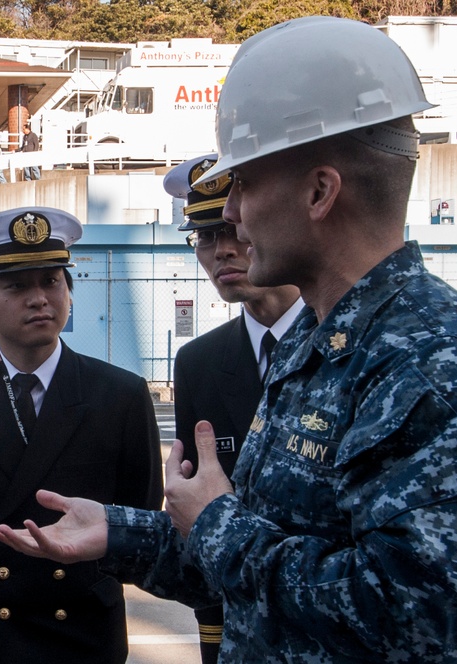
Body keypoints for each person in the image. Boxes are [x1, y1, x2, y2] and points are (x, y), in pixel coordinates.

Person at [0, 16, 457, 662]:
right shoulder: (316, 343)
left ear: (319, 192)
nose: (229, 212)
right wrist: (119, 532)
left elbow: (416, 616)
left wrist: (218, 522)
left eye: (244, 182)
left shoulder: (434, 368)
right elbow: (252, 565)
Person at [0, 207, 163, 663]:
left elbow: (137, 511)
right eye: (17, 286)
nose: (39, 298)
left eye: (51, 281)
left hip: (79, 631)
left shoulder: (119, 395)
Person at [166, 154, 302, 663]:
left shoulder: (348, 345)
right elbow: (191, 511)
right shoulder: (199, 362)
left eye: (233, 228)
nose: (222, 249)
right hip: (233, 623)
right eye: (205, 236)